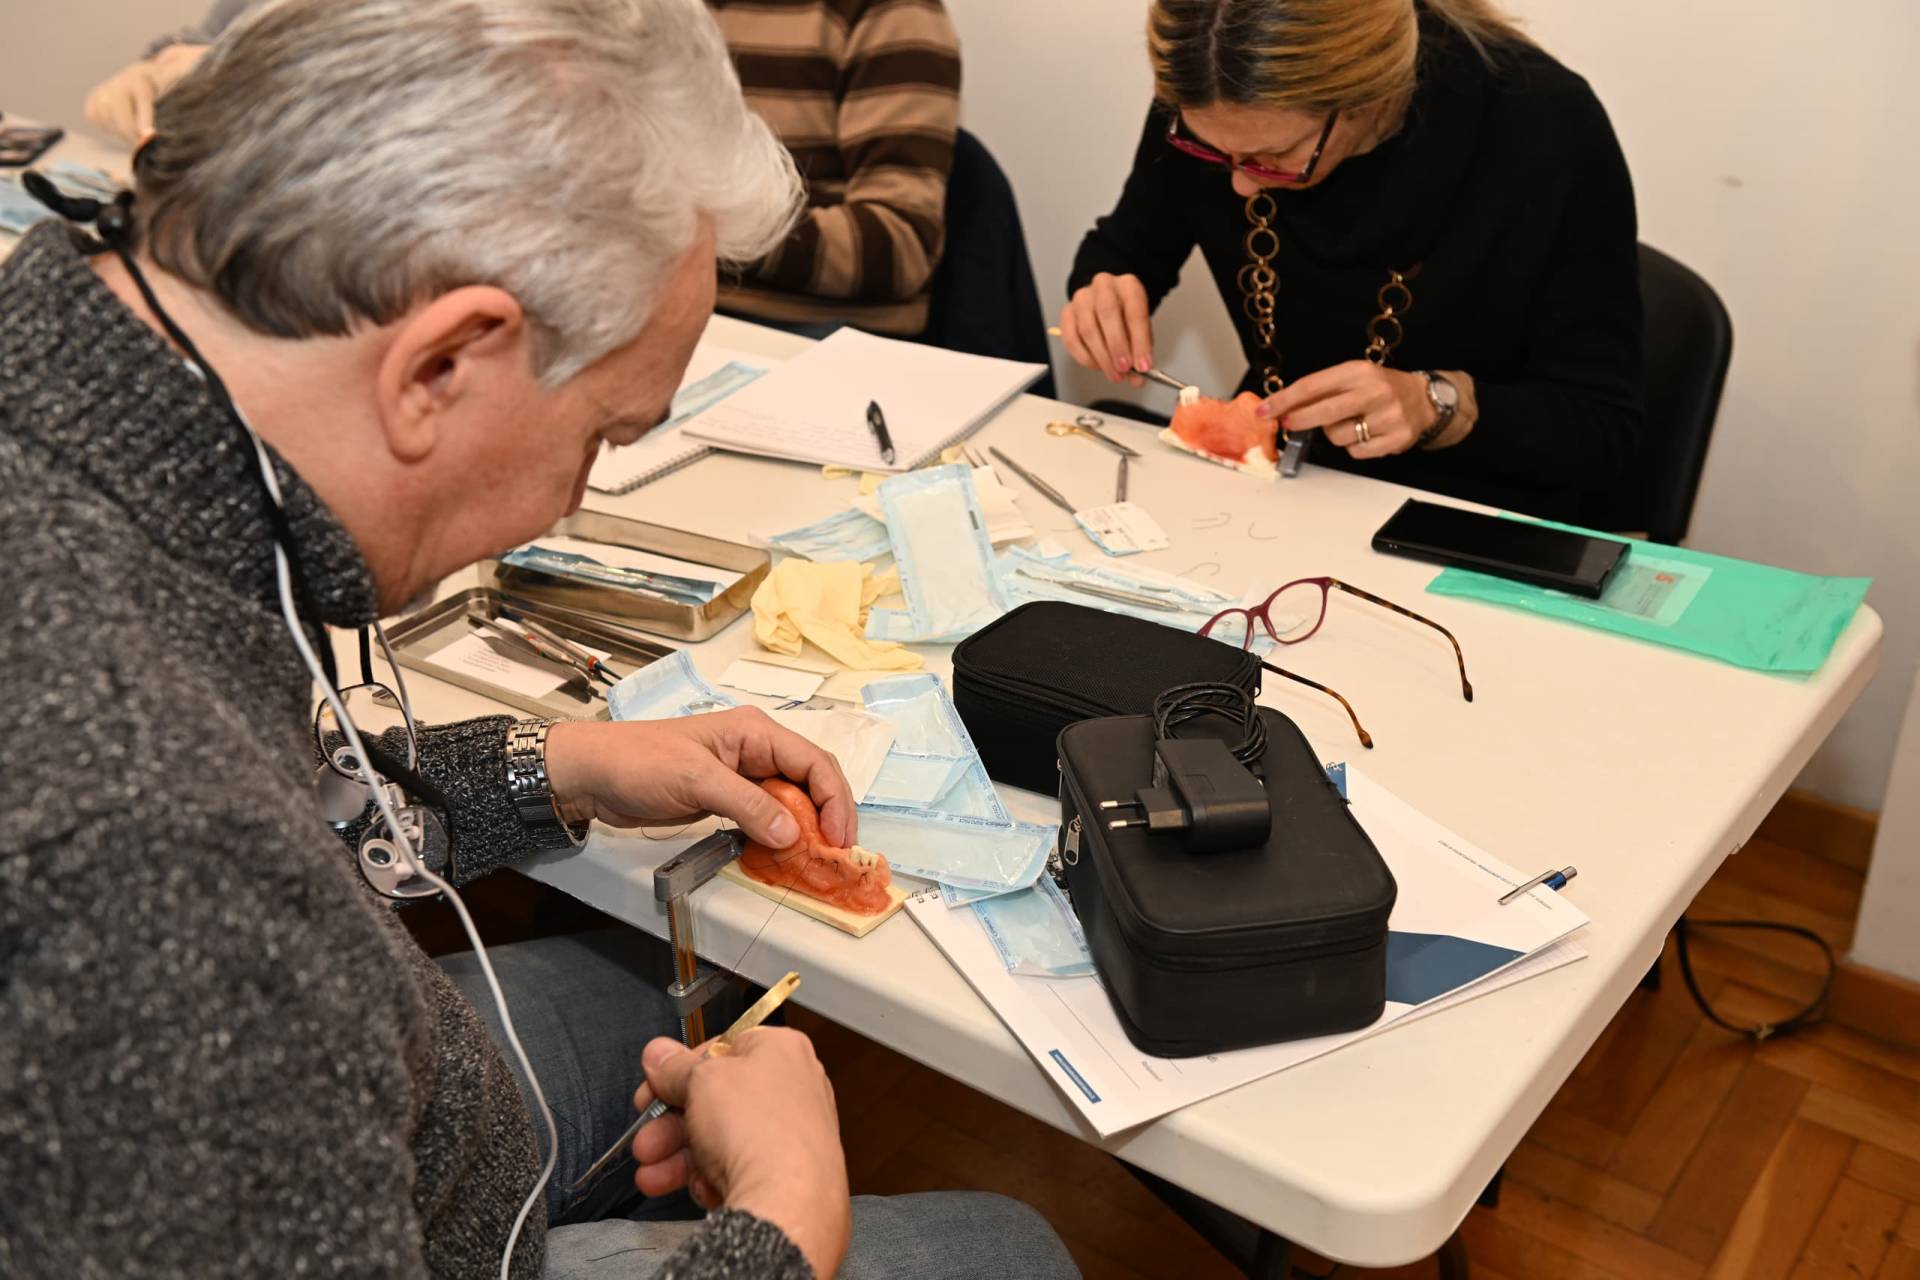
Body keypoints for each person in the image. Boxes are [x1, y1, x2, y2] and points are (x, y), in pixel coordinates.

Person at [4, 2, 1078, 1277]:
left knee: (669, 997)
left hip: (356, 1094)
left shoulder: (73, 391)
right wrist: (783, 1220)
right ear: (441, 366)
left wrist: (558, 762)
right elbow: (209, 861)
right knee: (1006, 1248)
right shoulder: (151, 861)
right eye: (603, 435)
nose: (573, 503)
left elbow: (292, 809)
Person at [1059, 0, 1644, 520]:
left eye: (1272, 157)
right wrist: (1104, 293)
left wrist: (1440, 406)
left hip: (1475, 516)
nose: (1239, 183)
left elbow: (1602, 429)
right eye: (1211, 151)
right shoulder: (1217, 94)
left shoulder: (1544, 127)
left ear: (1367, 96)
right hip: (1282, 494)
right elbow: (1126, 251)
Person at [86, 0, 963, 341]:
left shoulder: (886, 16)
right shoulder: (637, 14)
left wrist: (674, 222)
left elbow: (897, 246)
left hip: (807, 353)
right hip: (656, 329)